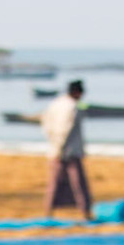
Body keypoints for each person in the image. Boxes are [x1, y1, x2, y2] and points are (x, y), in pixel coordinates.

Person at [40, 78, 92, 220]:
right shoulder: (72, 107)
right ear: (77, 93)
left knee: (54, 182)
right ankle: (85, 212)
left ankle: (48, 211)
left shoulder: (55, 104)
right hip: (69, 151)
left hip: (56, 148)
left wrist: (54, 144)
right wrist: (60, 148)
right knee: (78, 182)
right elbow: (65, 129)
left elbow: (46, 124)